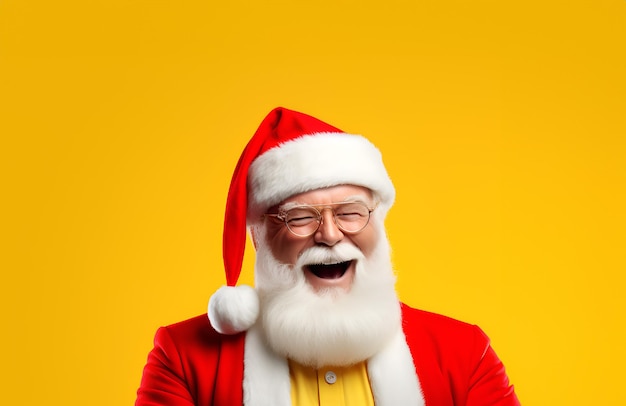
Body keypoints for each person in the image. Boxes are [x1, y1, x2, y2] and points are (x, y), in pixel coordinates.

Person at [136, 107, 520, 405]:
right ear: (258, 236)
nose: (331, 234)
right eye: (300, 218)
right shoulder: (183, 357)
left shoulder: (464, 354)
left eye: (350, 212)